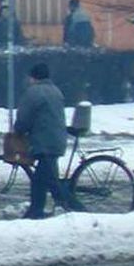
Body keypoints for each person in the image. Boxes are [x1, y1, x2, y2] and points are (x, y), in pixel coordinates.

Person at [14, 63, 82, 218]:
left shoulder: (33, 93)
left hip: (45, 143)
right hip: (55, 140)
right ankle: (35, 211)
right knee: (40, 180)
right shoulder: (55, 90)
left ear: (33, 77)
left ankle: (81, 211)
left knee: (52, 183)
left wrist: (18, 130)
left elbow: (24, 118)